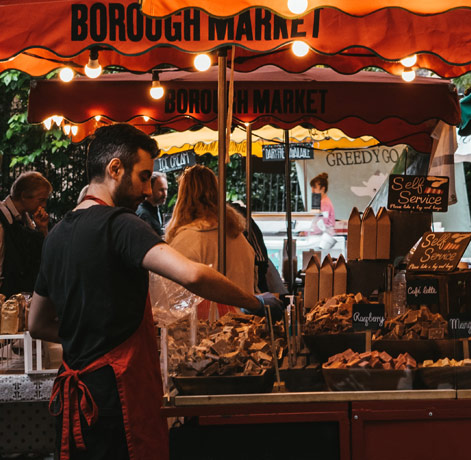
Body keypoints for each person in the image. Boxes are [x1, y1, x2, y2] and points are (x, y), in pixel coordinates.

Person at [27, 124, 277, 460]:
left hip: (77, 401)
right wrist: (254, 301)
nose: (147, 190)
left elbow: (38, 323)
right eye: (144, 176)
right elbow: (192, 274)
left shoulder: (56, 234)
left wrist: (84, 336)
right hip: (119, 401)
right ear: (115, 168)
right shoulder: (121, 225)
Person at [164, 166, 281, 319]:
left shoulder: (186, 240)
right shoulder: (239, 237)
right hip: (244, 329)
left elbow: (173, 301)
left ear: (182, 196)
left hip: (207, 335)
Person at [0, 171, 52, 296]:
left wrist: (43, 229)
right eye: (41, 200)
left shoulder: (25, 220)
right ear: (23, 196)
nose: (44, 205)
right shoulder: (3, 220)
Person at [136, 171, 168, 236]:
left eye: (166, 189)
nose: (165, 194)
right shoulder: (144, 215)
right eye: (161, 190)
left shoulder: (154, 210)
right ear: (149, 189)